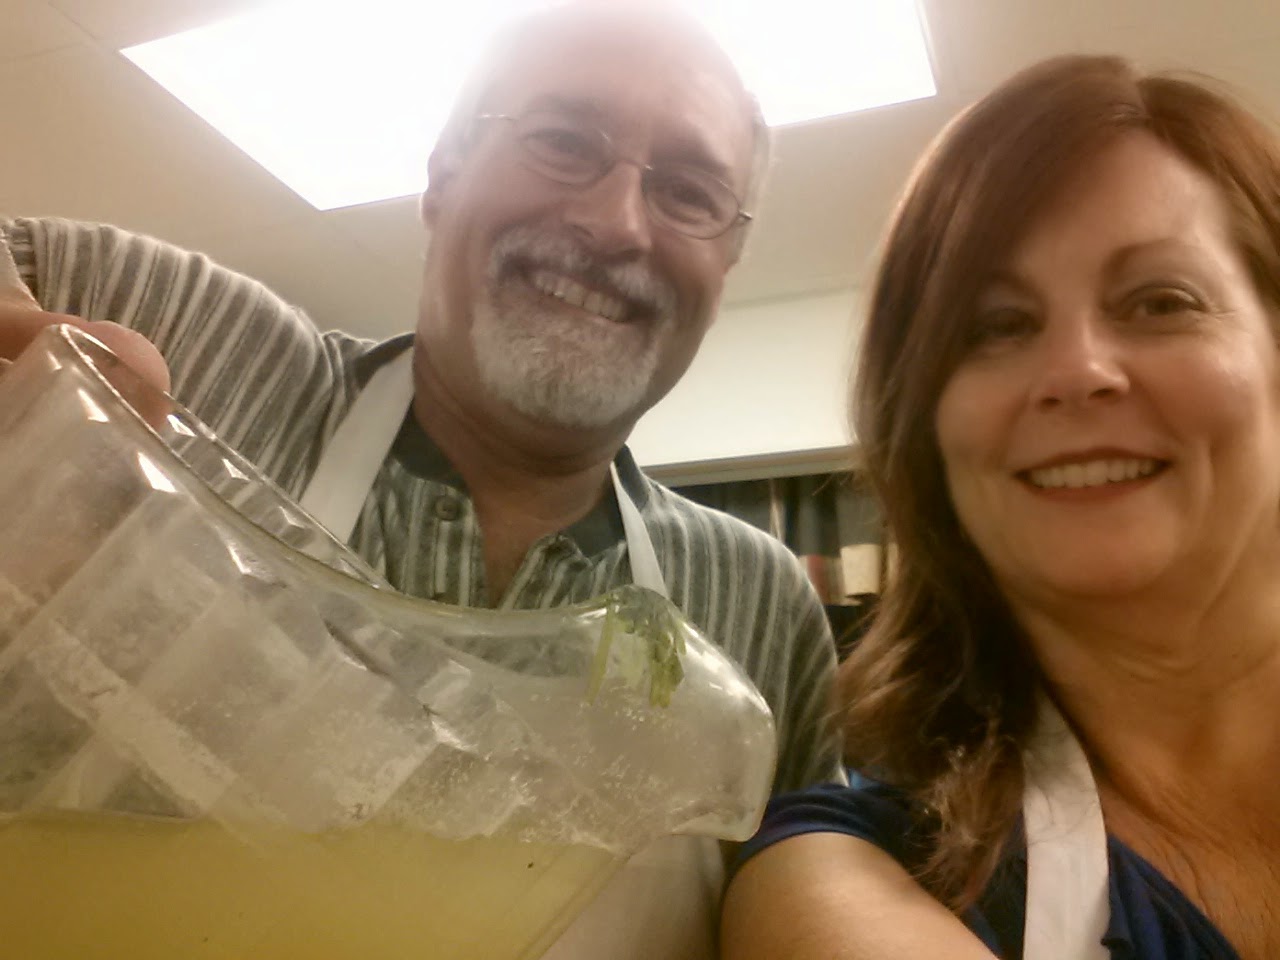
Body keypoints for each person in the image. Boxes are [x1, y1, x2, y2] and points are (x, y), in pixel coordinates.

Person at [0, 3, 844, 957]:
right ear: (443, 174)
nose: (616, 224)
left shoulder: (761, 602)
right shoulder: (198, 342)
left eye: (689, 192)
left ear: (727, 262)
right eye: (564, 140)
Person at [722, 54, 1280, 960]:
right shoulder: (851, 876)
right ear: (928, 432)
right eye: (995, 326)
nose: (1076, 370)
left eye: (1161, 301)